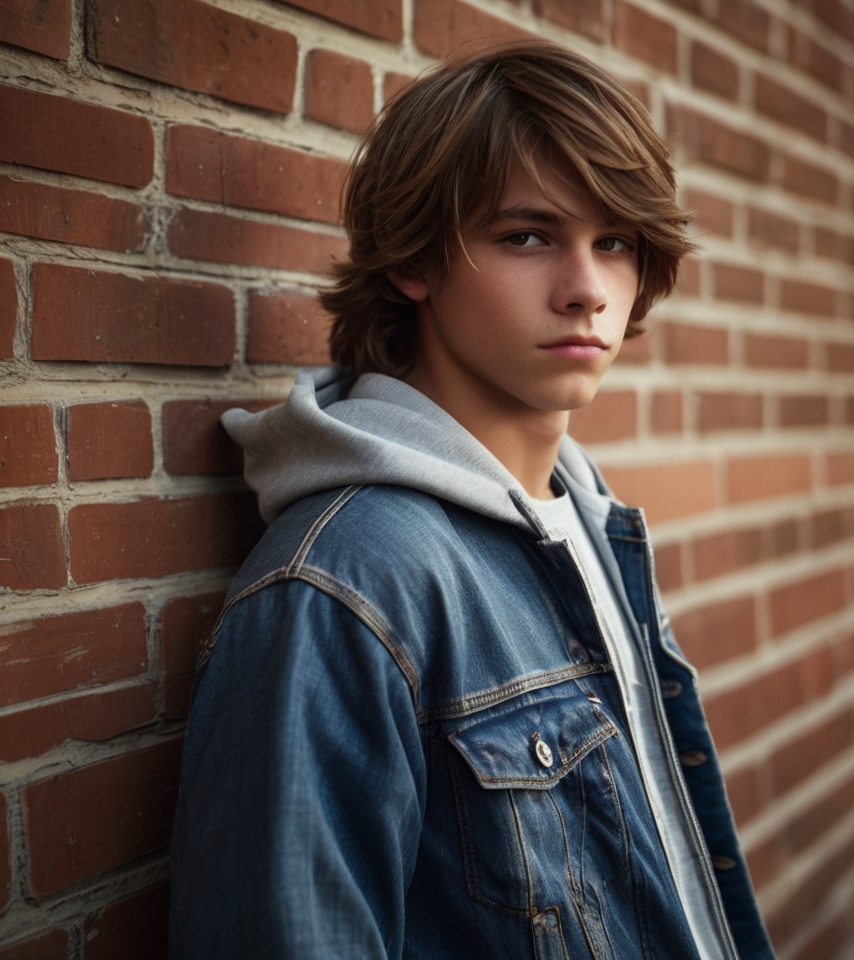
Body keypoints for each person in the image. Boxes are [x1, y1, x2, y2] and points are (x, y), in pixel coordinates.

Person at [169, 42, 776, 960]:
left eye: (614, 241)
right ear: (416, 259)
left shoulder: (585, 518)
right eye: (527, 236)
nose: (587, 292)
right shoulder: (346, 582)